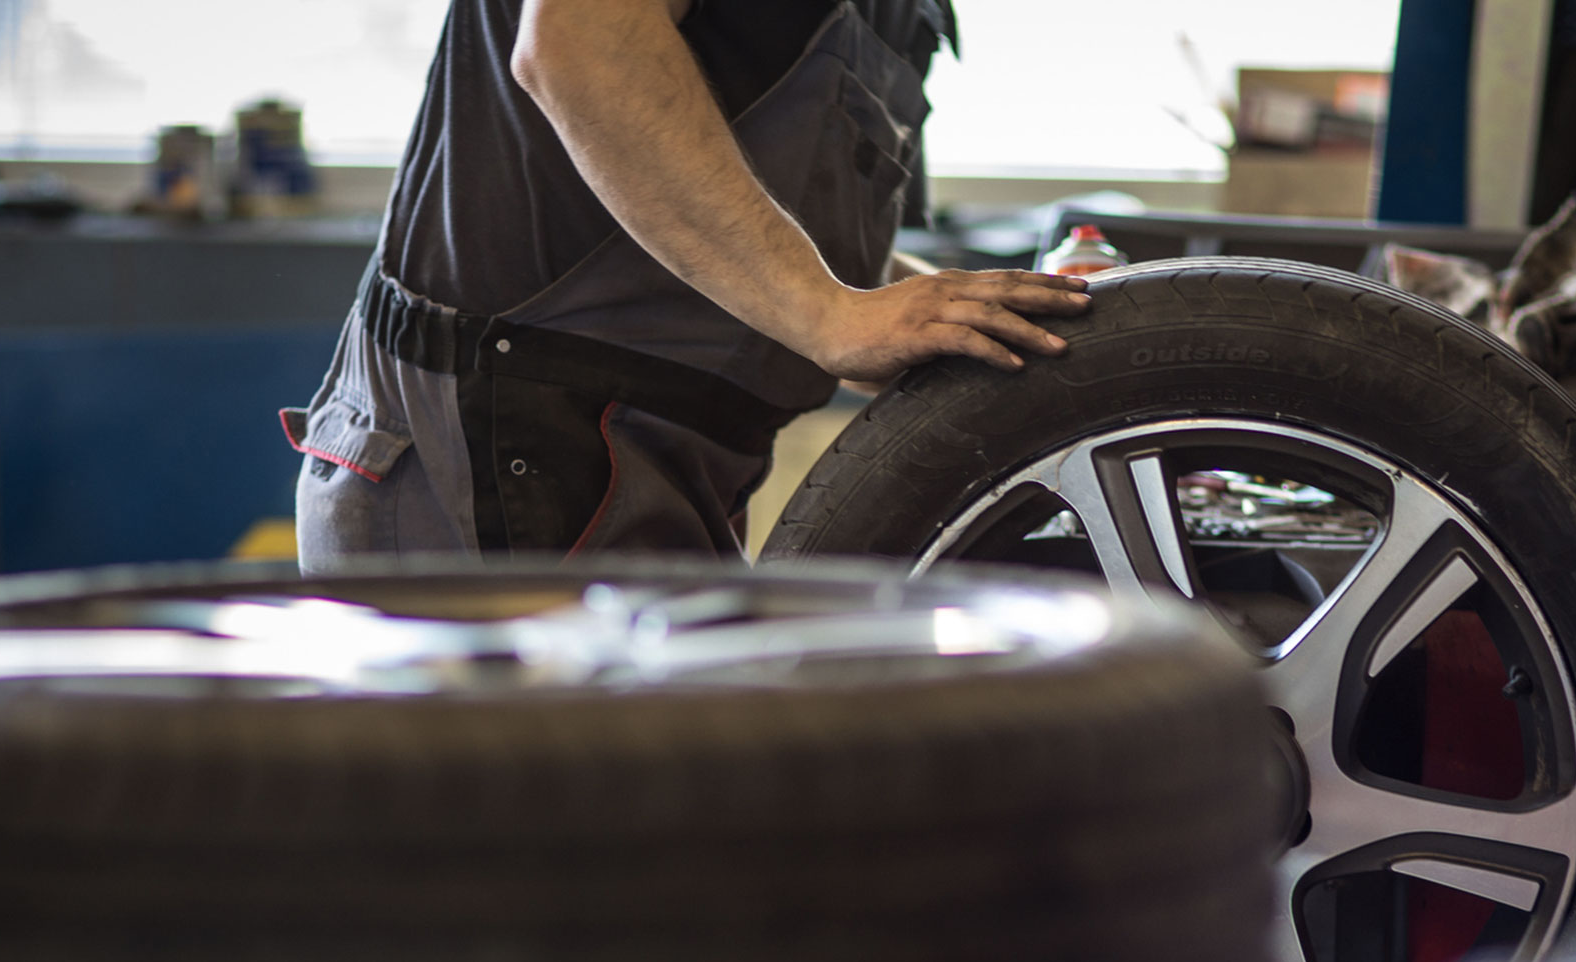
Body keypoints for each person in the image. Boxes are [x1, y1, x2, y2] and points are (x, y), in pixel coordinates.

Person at [283, 0, 1091, 570]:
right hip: (498, 442)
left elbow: (808, 272)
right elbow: (578, 42)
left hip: (659, 459)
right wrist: (829, 314)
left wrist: (974, 311)